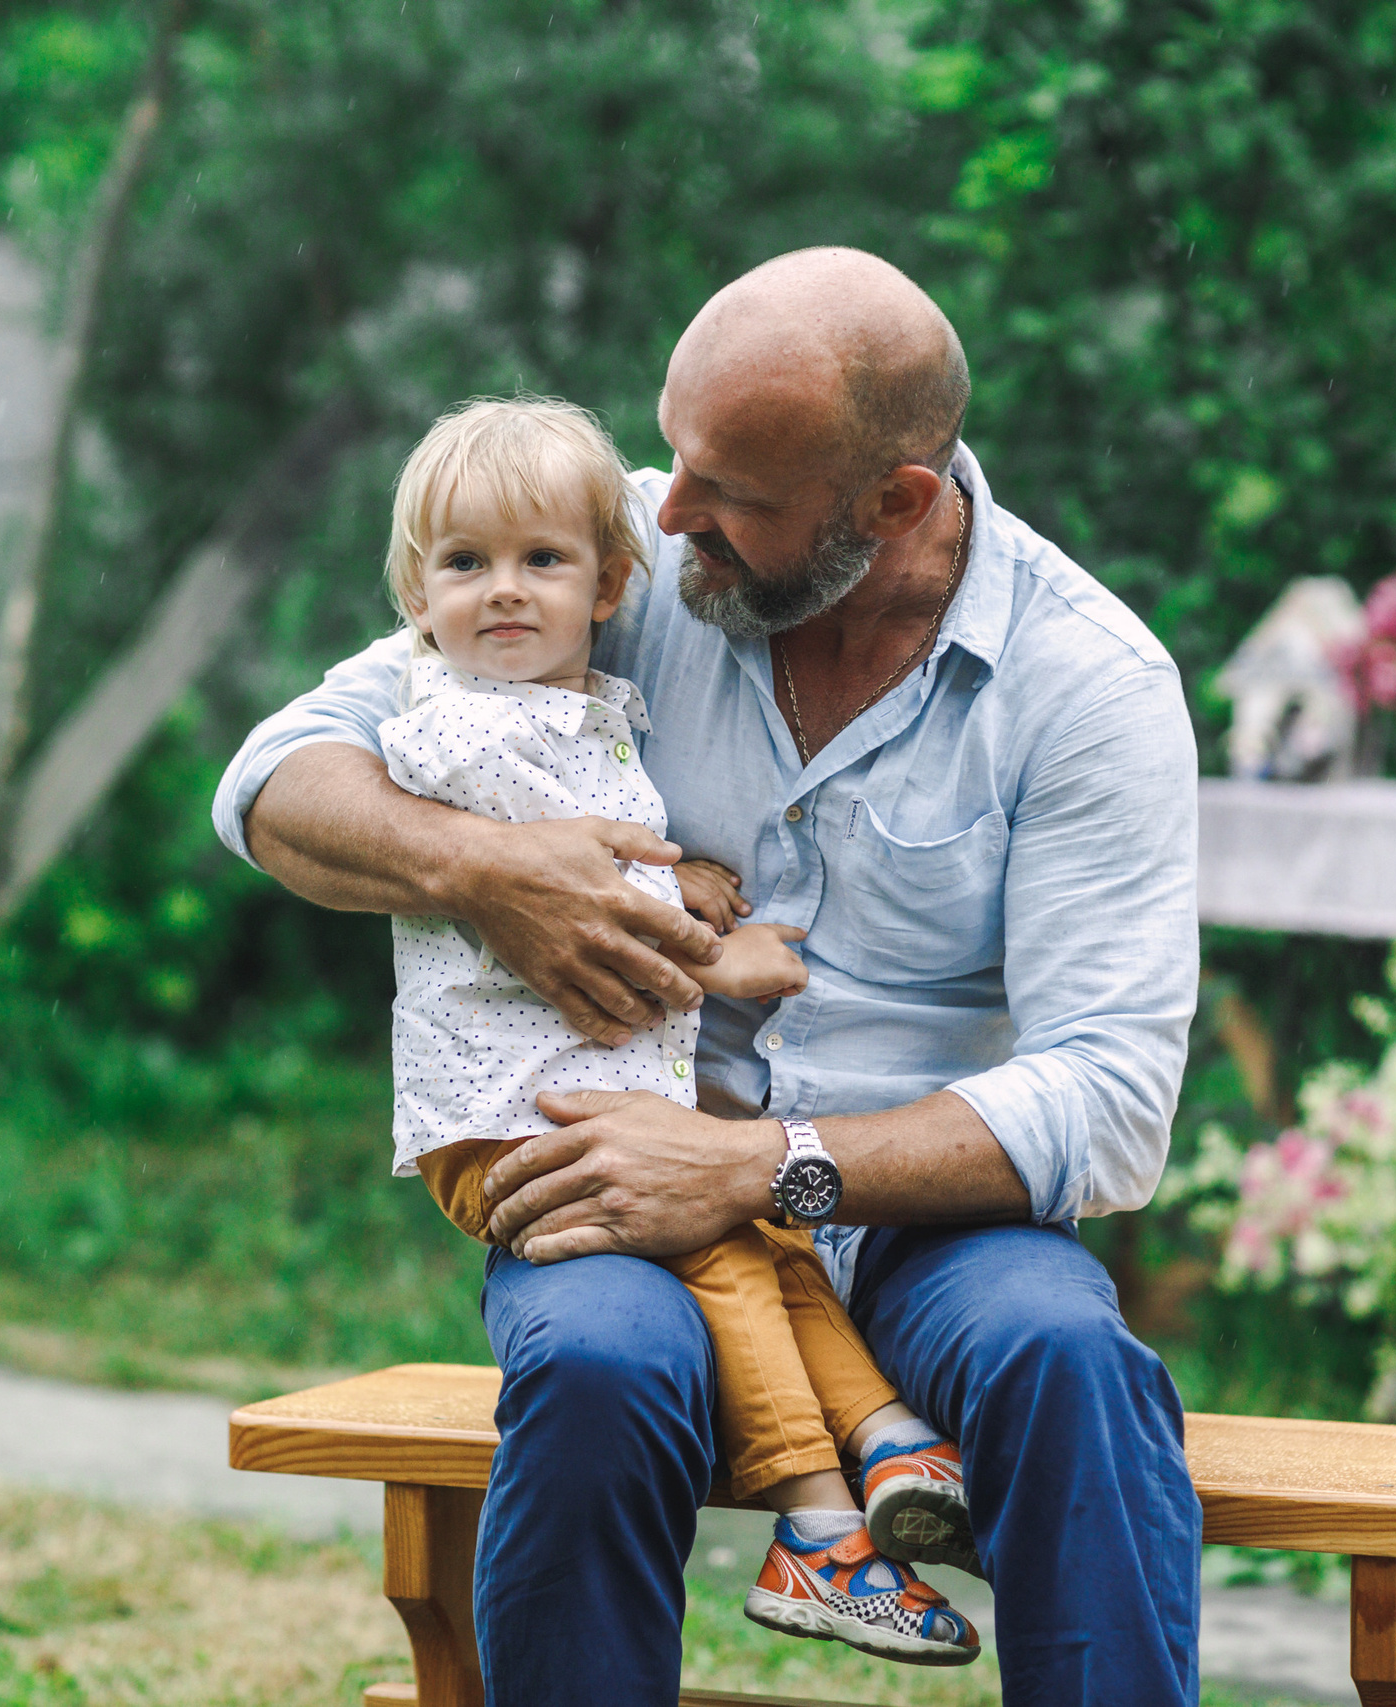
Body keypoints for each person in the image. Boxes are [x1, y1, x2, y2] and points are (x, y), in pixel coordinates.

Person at [214, 247, 1202, 1707]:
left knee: (1069, 1355)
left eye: (725, 488)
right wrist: (482, 869)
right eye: (669, 456)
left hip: (930, 1223)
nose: (663, 510)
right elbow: (274, 779)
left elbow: (1111, 1103)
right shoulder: (605, 550)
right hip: (621, 1199)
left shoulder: (1086, 686)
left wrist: (760, 1168)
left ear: (897, 503)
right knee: (600, 1369)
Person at [375, 395, 982, 1665]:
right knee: (724, 1250)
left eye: (541, 560)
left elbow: (602, 845)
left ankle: (882, 1440)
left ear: (610, 587)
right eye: (463, 563)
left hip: (593, 1097)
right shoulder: (463, 725)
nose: (502, 592)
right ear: (413, 593)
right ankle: (816, 1529)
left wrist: (684, 870)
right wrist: (722, 952)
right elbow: (563, 910)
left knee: (766, 1230)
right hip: (513, 1120)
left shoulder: (574, 709)